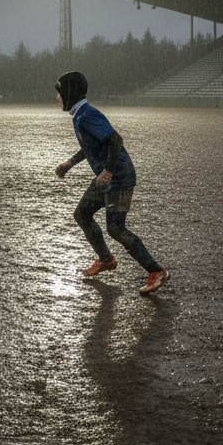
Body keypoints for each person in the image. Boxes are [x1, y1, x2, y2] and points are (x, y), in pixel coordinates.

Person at [53, 71, 170, 294]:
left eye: (59, 94)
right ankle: (106, 259)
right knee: (82, 214)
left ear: (69, 94)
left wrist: (107, 172)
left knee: (115, 228)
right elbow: (92, 145)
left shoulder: (87, 114)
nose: (57, 98)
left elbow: (115, 139)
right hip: (107, 179)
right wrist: (70, 163)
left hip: (119, 178)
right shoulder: (80, 115)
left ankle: (157, 271)